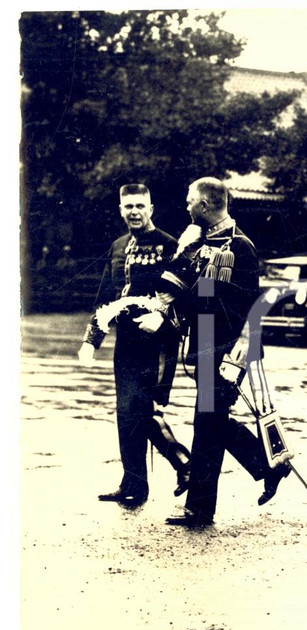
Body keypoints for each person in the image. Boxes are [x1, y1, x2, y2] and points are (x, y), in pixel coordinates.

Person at [142, 177, 282, 527]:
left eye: (190, 201)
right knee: (211, 421)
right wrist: (184, 253)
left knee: (207, 422)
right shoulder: (197, 240)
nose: (186, 206)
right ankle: (268, 466)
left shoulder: (242, 246)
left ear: (205, 205)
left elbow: (253, 306)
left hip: (229, 346)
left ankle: (200, 508)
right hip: (204, 341)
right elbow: (175, 286)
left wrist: (240, 353)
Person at [79, 183, 190, 506]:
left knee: (141, 409)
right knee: (126, 413)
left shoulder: (171, 246)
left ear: (151, 209)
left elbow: (187, 296)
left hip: (157, 343)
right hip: (126, 341)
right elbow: (105, 297)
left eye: (140, 205)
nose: (134, 212)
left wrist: (165, 321)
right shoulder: (117, 246)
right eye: (128, 206)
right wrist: (92, 340)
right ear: (121, 210)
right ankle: (134, 484)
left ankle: (183, 463)